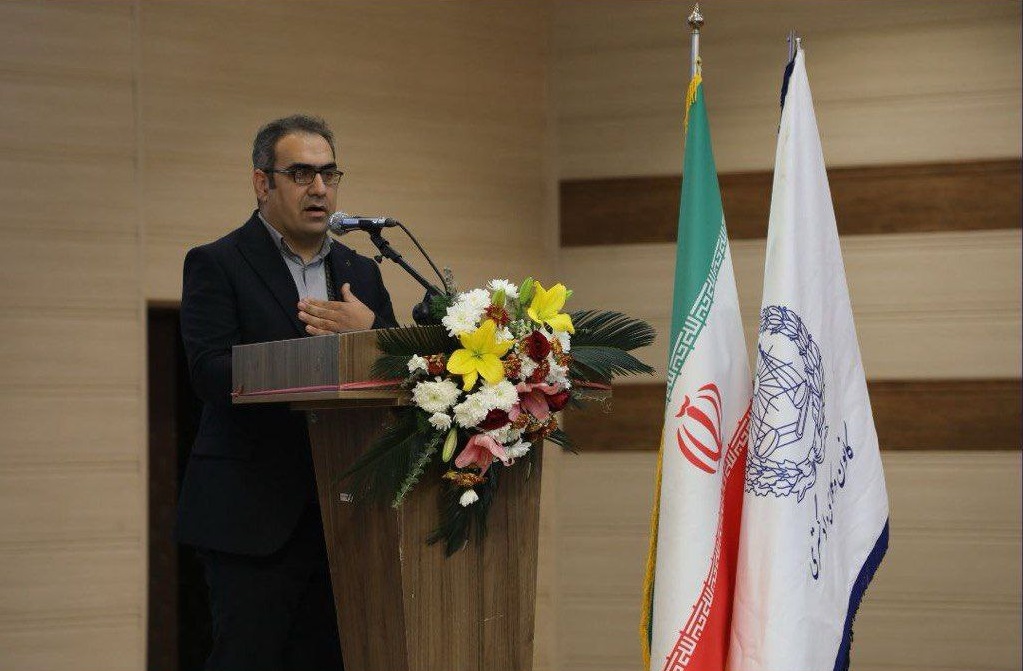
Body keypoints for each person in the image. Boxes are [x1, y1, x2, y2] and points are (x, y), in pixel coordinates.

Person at [176, 114, 398, 670]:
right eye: (300, 174)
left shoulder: (362, 272)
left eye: (328, 174)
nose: (319, 188)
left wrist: (370, 333)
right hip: (252, 516)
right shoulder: (217, 263)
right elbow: (209, 372)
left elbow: (400, 374)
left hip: (344, 515)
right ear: (262, 183)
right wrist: (313, 358)